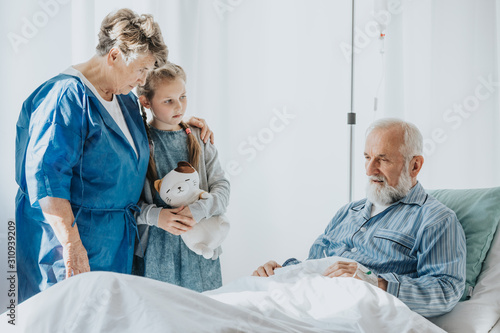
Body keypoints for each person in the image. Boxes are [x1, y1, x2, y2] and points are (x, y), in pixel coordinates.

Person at [16, 8, 214, 303]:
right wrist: (72, 247)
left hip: (116, 245)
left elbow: (151, 137)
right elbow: (46, 178)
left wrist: (187, 125)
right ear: (115, 55)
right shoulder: (65, 97)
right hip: (69, 245)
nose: (143, 78)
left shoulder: (126, 101)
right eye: (141, 69)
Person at [252, 118, 466, 318]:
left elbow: (446, 290)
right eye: (367, 157)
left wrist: (375, 282)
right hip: (305, 302)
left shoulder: (436, 220)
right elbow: (315, 265)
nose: (369, 170)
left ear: (415, 166)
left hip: (352, 316)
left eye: (382, 160)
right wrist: (283, 269)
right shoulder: (347, 212)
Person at [132, 62, 230, 292]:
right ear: (146, 102)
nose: (179, 106)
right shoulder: (139, 144)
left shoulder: (199, 136)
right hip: (156, 255)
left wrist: (200, 209)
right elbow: (126, 204)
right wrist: (155, 216)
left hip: (201, 250)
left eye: (183, 97)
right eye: (168, 101)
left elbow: (221, 186)